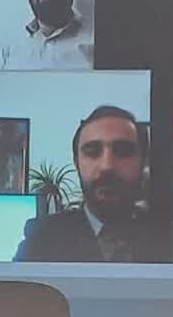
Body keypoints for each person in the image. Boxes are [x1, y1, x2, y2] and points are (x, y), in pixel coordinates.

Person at [15, 105, 152, 263]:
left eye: (123, 151)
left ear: (143, 161)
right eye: (92, 151)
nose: (107, 166)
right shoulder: (42, 238)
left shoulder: (168, 236)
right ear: (77, 162)